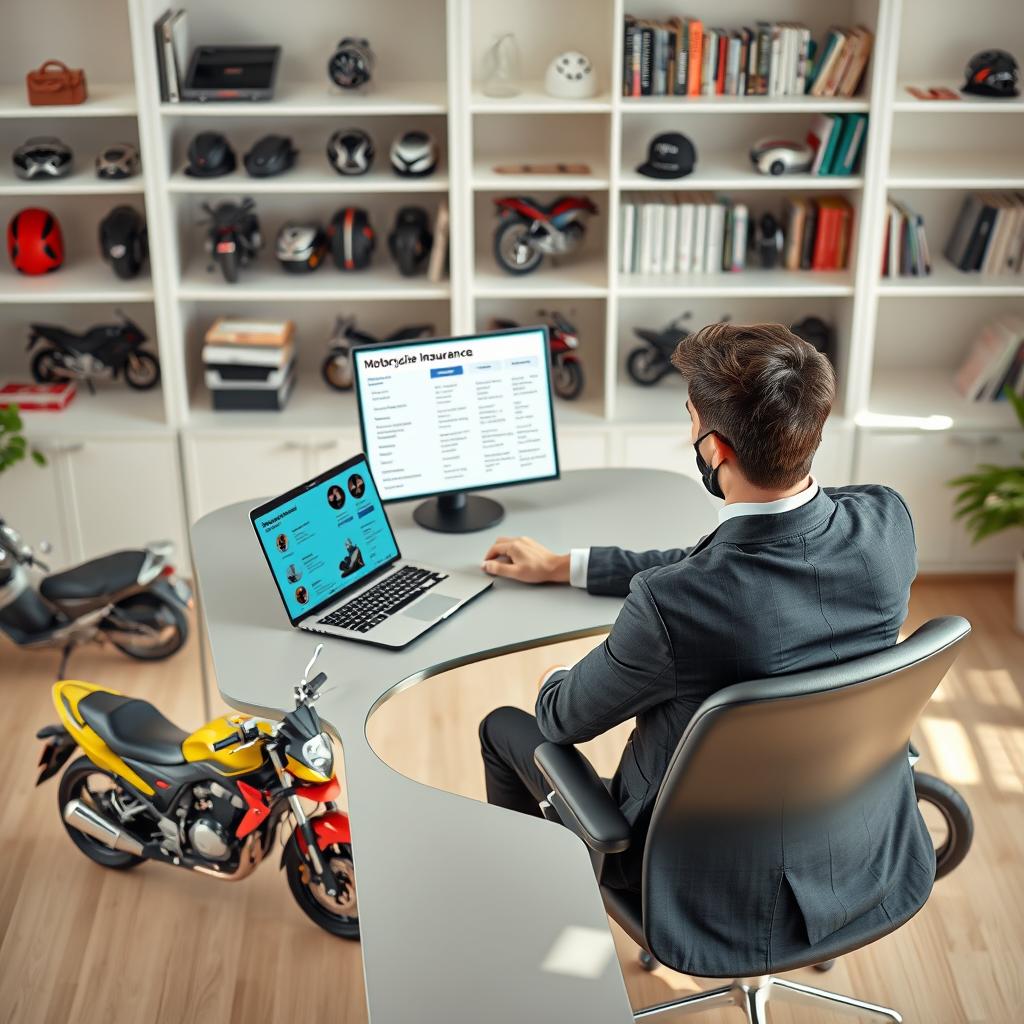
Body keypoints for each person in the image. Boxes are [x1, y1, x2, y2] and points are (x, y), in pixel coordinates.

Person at [477, 322, 920, 914]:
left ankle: (522, 913)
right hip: (850, 843)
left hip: (687, 874)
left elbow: (562, 721)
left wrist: (553, 678)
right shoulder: (885, 523)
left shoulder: (673, 606)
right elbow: (723, 559)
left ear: (714, 448)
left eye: (691, 416)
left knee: (505, 726)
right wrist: (568, 566)